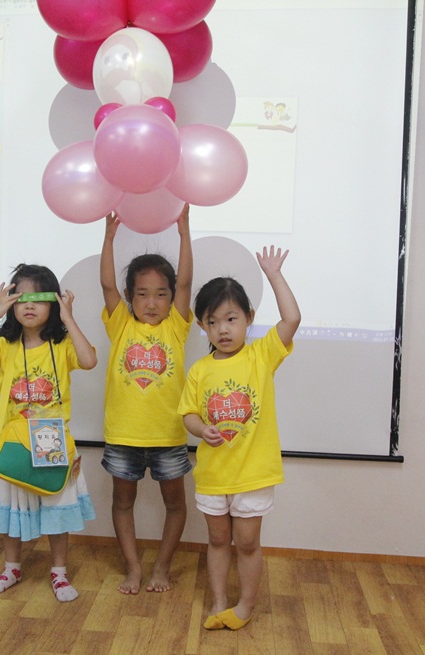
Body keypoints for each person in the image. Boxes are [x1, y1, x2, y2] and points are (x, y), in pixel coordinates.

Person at [178, 246, 301, 630]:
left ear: (248, 317)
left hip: (252, 475)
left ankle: (245, 606)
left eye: (231, 319)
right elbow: (188, 414)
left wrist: (273, 274)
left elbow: (292, 318)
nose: (223, 329)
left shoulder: (262, 355)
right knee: (217, 542)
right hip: (214, 475)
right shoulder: (199, 370)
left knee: (246, 544)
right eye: (213, 322)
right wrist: (201, 429)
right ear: (203, 326)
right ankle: (218, 601)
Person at [0, 263, 97, 602]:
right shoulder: (6, 346)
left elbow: (89, 360)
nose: (29, 305)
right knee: (12, 509)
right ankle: (12, 568)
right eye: (20, 297)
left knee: (57, 508)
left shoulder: (62, 345)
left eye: (38, 297)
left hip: (51, 442)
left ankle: (59, 573)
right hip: (14, 443)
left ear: (53, 302)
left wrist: (68, 319)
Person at [99, 206, 193, 594]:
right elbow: (107, 286)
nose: (151, 303)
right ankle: (134, 567)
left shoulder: (176, 326)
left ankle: (162, 568)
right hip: (124, 435)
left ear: (171, 299)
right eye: (142, 294)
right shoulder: (121, 324)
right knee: (123, 502)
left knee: (175, 504)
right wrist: (108, 238)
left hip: (168, 435)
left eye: (160, 294)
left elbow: (186, 283)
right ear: (129, 297)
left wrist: (185, 235)